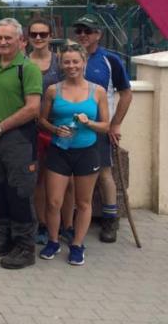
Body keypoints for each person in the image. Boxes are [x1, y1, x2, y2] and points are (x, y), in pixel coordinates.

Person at [0, 17, 42, 269]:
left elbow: (33, 108)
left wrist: (2, 126)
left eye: (8, 38)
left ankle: (25, 247)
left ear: (20, 40)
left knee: (19, 192)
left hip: (18, 138)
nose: (2, 42)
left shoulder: (27, 69)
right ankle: (5, 237)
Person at [38, 44, 110, 266]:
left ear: (84, 63)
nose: (71, 66)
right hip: (59, 151)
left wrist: (90, 123)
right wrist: (54, 130)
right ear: (61, 64)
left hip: (87, 151)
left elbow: (106, 126)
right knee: (53, 201)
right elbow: (41, 120)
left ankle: (77, 245)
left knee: (83, 202)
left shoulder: (97, 91)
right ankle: (53, 241)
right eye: (67, 62)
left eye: (75, 62)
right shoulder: (53, 90)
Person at [73, 13, 132, 243]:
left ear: (98, 34)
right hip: (70, 129)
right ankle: (71, 220)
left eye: (88, 31)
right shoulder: (68, 56)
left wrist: (115, 123)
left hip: (98, 129)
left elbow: (126, 94)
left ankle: (110, 218)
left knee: (104, 174)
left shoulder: (110, 60)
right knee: (70, 176)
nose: (83, 35)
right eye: (79, 31)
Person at [26, 18, 65, 245]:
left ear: (50, 35)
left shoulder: (60, 63)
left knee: (63, 182)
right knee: (38, 180)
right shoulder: (23, 62)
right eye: (34, 34)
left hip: (57, 129)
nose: (38, 38)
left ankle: (64, 227)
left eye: (43, 34)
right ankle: (41, 223)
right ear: (28, 36)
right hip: (30, 130)